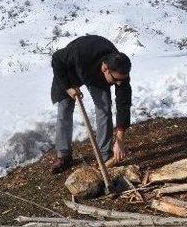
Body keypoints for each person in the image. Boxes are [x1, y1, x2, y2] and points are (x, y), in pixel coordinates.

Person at [50, 35, 132, 173]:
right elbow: (56, 58)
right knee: (64, 110)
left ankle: (104, 155)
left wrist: (119, 140)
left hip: (96, 78)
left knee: (104, 109)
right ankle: (63, 155)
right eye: (115, 80)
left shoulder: (120, 72)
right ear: (105, 68)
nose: (118, 84)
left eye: (121, 81)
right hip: (69, 72)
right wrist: (68, 87)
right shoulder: (79, 53)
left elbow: (123, 104)